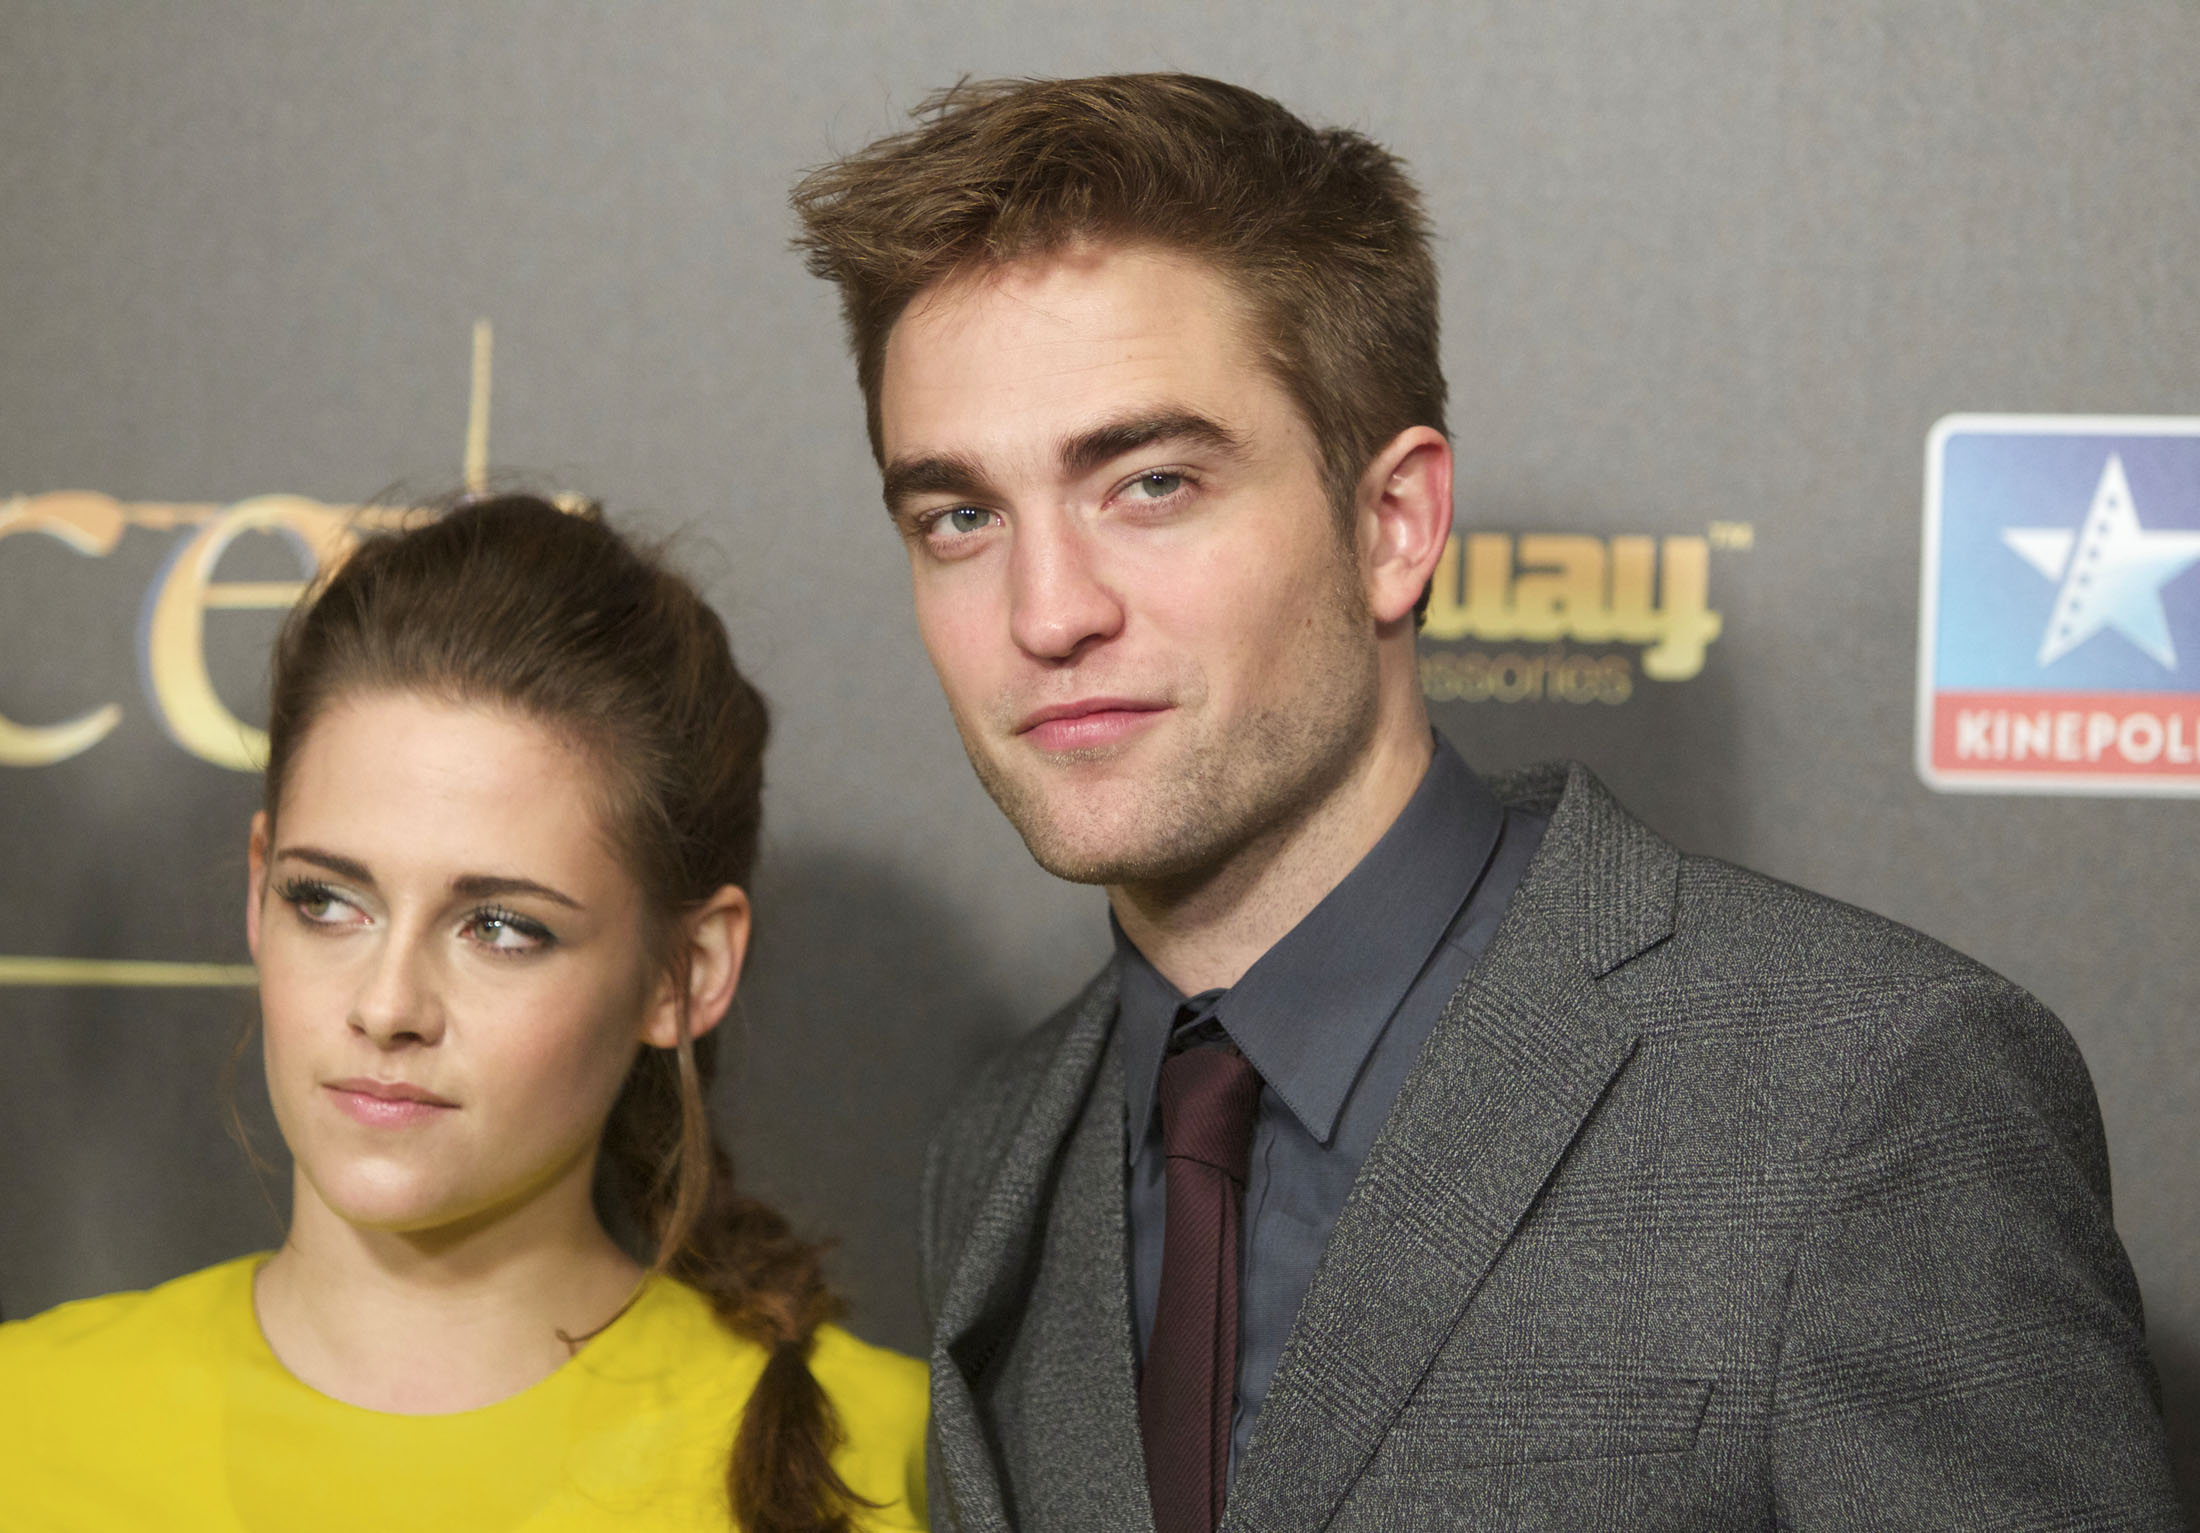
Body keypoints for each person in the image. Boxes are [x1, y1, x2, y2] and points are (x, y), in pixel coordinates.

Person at [790, 74, 2184, 1531]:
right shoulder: (1002, 1144)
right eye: (960, 517)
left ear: (1394, 524)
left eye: (1151, 484)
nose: (1046, 612)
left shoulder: (1869, 1093)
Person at [0, 495, 928, 1531]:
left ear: (686, 972)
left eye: (500, 927)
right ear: (259, 891)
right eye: (328, 901)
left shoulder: (893, 1461)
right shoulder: (23, 1422)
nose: (387, 1005)